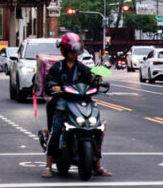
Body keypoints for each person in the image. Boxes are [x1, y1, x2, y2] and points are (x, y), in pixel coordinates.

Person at [40, 31, 112, 179]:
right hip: (63, 103)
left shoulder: (83, 68)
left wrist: (96, 80)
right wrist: (54, 87)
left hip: (82, 102)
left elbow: (91, 82)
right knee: (56, 129)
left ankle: (97, 165)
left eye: (76, 51)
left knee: (98, 128)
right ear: (65, 51)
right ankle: (48, 165)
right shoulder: (57, 68)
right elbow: (49, 83)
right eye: (72, 51)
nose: (75, 54)